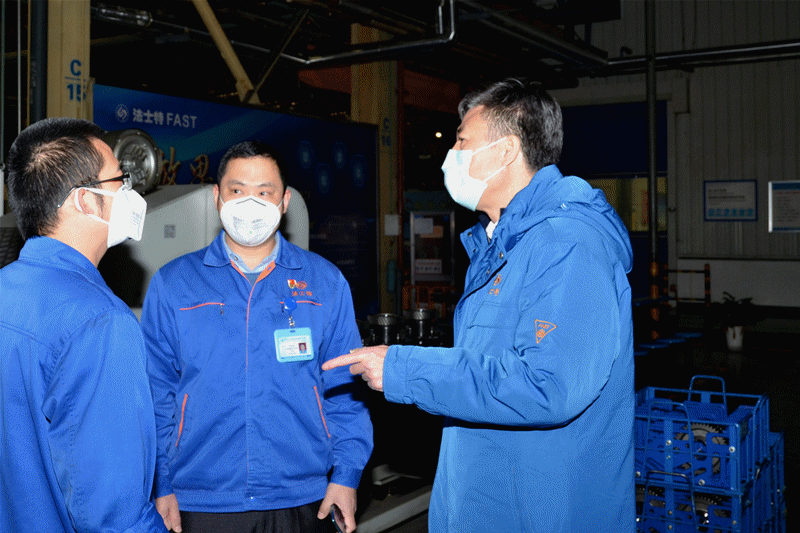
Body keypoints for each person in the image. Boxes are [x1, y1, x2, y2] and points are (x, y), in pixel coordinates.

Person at [324, 78, 636, 532]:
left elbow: (547, 385)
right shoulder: (500, 244)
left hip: (544, 512)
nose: (450, 155)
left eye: (462, 141)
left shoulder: (566, 244)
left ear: (506, 151)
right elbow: (485, 375)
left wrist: (405, 368)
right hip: (488, 503)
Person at [141, 141, 373, 533]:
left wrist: (347, 475)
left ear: (284, 201)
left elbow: (345, 390)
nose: (250, 204)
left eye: (264, 192)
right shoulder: (174, 283)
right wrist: (160, 482)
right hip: (200, 499)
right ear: (217, 197)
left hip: (303, 496)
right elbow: (154, 393)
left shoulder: (324, 282)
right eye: (237, 190)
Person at [0, 117, 165, 532]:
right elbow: (115, 514)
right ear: (86, 201)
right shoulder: (99, 322)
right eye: (120, 179)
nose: (130, 192)